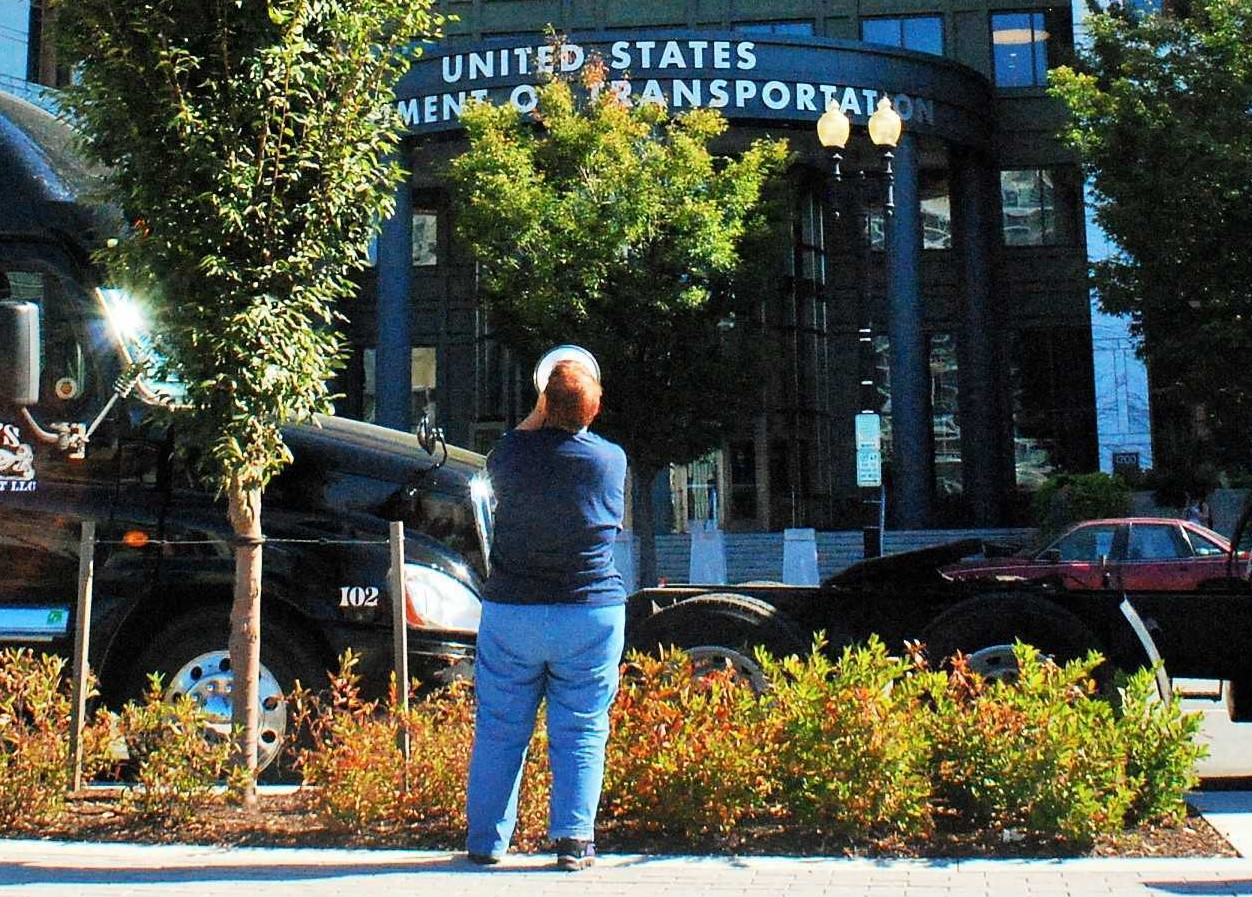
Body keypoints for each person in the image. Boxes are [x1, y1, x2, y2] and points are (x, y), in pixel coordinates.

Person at [465, 358, 628, 872]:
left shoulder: (510, 454)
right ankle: (574, 842)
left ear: (542, 403)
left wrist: (540, 410)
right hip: (590, 612)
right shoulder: (611, 460)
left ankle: (486, 842)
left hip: (513, 610)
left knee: (499, 728)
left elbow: (513, 444)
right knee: (582, 728)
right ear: (595, 408)